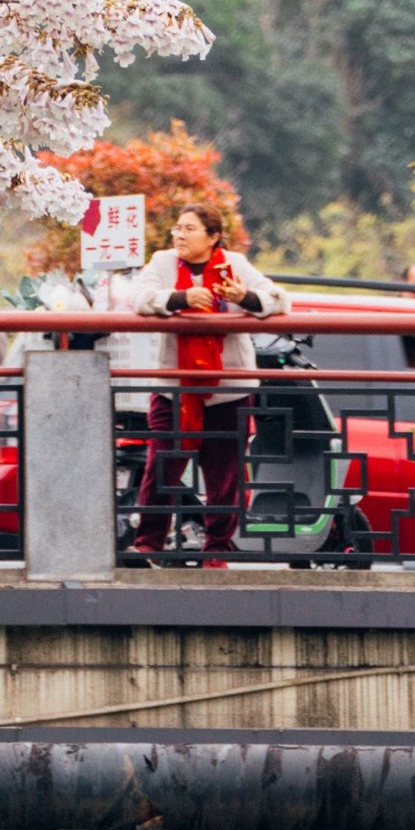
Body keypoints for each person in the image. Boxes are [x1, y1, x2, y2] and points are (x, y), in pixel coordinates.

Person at [122, 203, 281, 568]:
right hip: (173, 386)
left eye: (189, 229)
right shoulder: (162, 263)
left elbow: (276, 299)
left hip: (228, 389)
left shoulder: (235, 265)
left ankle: (216, 550)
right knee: (161, 466)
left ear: (213, 237)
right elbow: (140, 299)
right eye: (177, 228)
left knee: (223, 475)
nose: (178, 234)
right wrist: (181, 299)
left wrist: (244, 298)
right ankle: (149, 545)